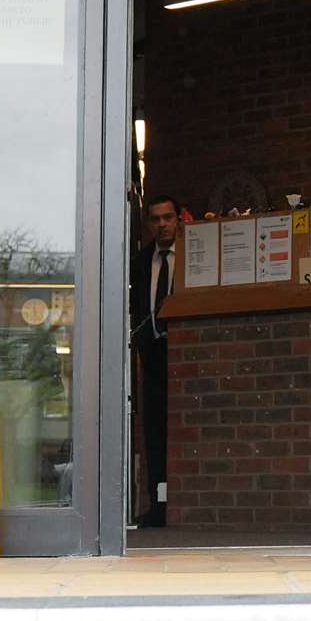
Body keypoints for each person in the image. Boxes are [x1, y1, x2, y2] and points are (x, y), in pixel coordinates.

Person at [130, 194, 180, 528]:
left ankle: (177, 503)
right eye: (156, 219)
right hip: (150, 354)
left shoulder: (192, 256)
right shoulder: (140, 261)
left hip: (182, 353)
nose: (162, 224)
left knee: (179, 429)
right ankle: (157, 504)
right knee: (153, 431)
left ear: (179, 219)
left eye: (168, 217)